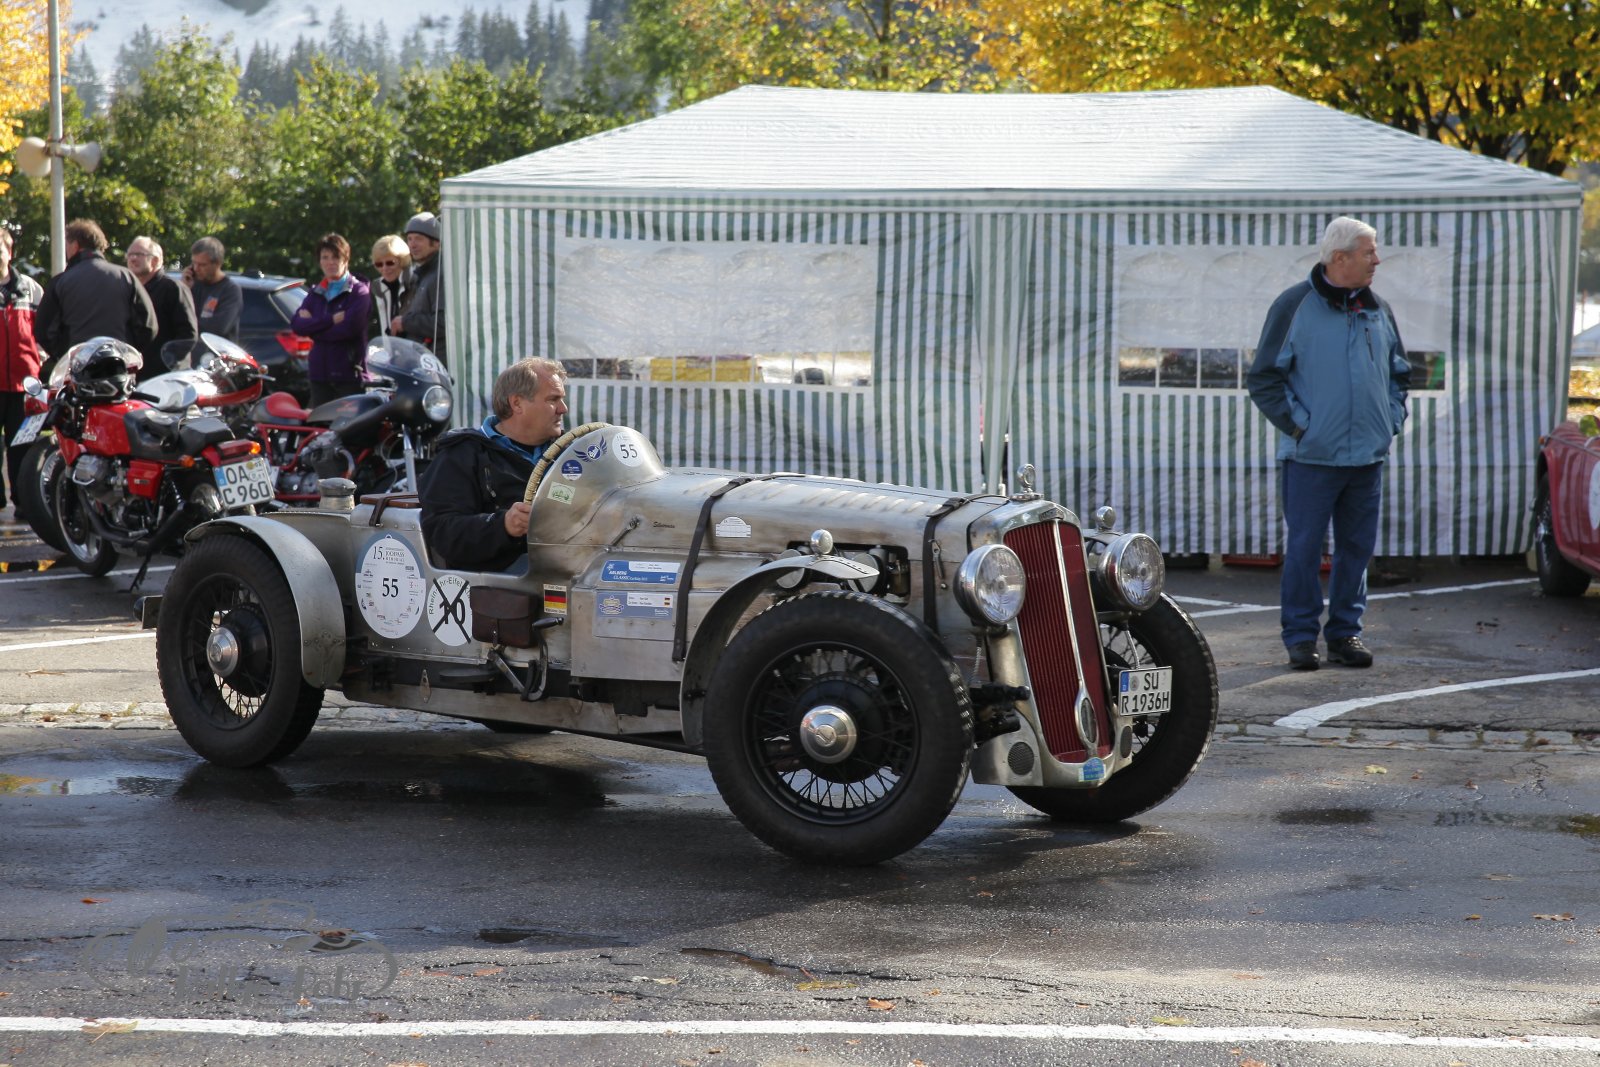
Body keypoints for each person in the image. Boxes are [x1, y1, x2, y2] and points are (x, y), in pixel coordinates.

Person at [1247, 216, 1411, 671]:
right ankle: (1301, 638)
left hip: (1367, 457)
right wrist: (1303, 428)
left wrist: (1390, 421)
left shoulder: (1378, 308)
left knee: (1356, 551)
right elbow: (1264, 379)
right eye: (1369, 252)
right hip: (1311, 458)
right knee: (1304, 551)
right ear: (1340, 258)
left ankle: (1345, 633)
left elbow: (1400, 374)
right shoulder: (1293, 305)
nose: (1377, 260)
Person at [420, 357, 567, 570]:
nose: (563, 408)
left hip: (575, 569)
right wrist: (504, 525)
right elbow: (443, 532)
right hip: (503, 580)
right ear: (517, 403)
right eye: (553, 399)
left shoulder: (573, 452)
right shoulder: (462, 454)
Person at [31, 218, 157, 359]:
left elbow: (43, 331)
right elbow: (148, 326)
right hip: (117, 362)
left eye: (67, 244)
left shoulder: (61, 281)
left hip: (78, 363)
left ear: (75, 245)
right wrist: (127, 351)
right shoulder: (126, 277)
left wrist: (65, 355)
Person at [292, 233, 372, 408]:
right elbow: (297, 325)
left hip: (349, 376)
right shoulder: (315, 292)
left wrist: (313, 328)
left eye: (335, 257)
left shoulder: (359, 292)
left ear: (346, 259)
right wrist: (330, 320)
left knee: (348, 425)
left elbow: (350, 329)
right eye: (325, 257)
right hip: (319, 375)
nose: (330, 262)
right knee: (319, 424)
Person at [0, 228, 45, 513]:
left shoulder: (30, 288)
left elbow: (47, 328)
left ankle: (23, 501)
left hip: (24, 383)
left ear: (9, 252)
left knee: (23, 445)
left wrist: (38, 357)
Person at [125, 236, 197, 372]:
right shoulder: (129, 289)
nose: (132, 259)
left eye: (139, 254)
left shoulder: (173, 288)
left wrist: (168, 360)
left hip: (166, 375)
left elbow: (188, 335)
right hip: (136, 373)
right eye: (130, 255)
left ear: (155, 260)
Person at [396, 211, 444, 362]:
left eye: (419, 239)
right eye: (409, 239)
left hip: (437, 363)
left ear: (436, 243)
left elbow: (443, 323)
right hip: (422, 361)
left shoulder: (441, 274)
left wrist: (404, 322)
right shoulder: (421, 274)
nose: (412, 244)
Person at [181, 236, 243, 342]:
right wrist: (184, 291)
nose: (196, 268)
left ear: (217, 263)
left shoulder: (230, 290)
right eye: (194, 263)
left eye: (202, 265)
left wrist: (185, 325)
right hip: (191, 349)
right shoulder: (192, 285)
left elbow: (218, 328)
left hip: (216, 349)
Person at [368, 234, 415, 338]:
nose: (384, 268)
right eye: (379, 264)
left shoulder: (415, 282)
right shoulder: (379, 287)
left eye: (390, 263)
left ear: (402, 261)